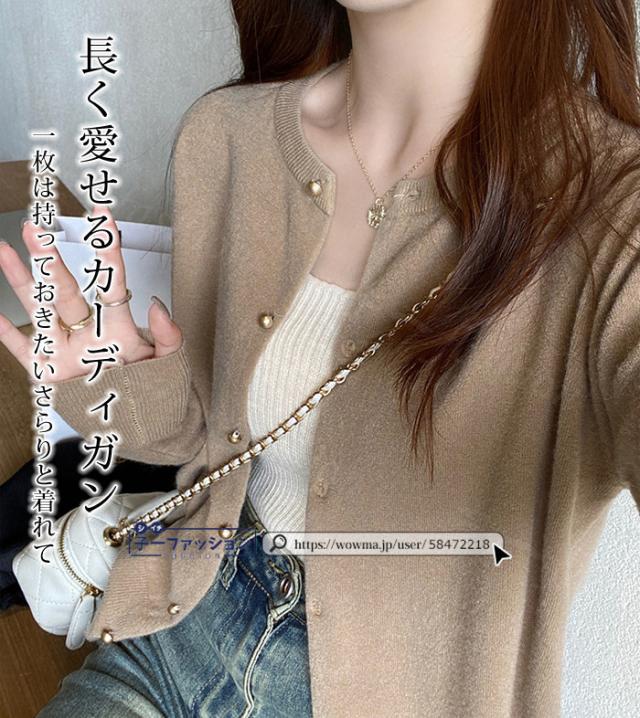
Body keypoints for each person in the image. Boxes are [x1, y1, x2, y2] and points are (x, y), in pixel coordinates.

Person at [1, 0, 639, 715]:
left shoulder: (614, 212)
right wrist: (120, 386)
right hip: (183, 623)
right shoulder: (228, 135)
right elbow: (217, 450)